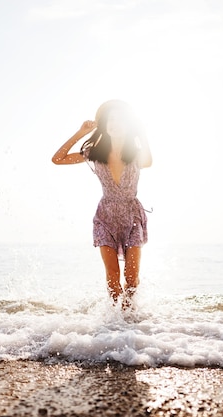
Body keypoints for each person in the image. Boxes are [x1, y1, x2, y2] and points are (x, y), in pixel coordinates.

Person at [52, 100, 152, 309]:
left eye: (121, 120)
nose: (115, 123)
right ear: (105, 124)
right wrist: (80, 133)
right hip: (105, 217)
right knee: (113, 278)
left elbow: (148, 160)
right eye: (111, 119)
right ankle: (115, 323)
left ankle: (130, 318)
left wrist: (141, 132)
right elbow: (58, 159)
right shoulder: (94, 153)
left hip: (132, 216)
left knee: (132, 278)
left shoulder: (136, 153)